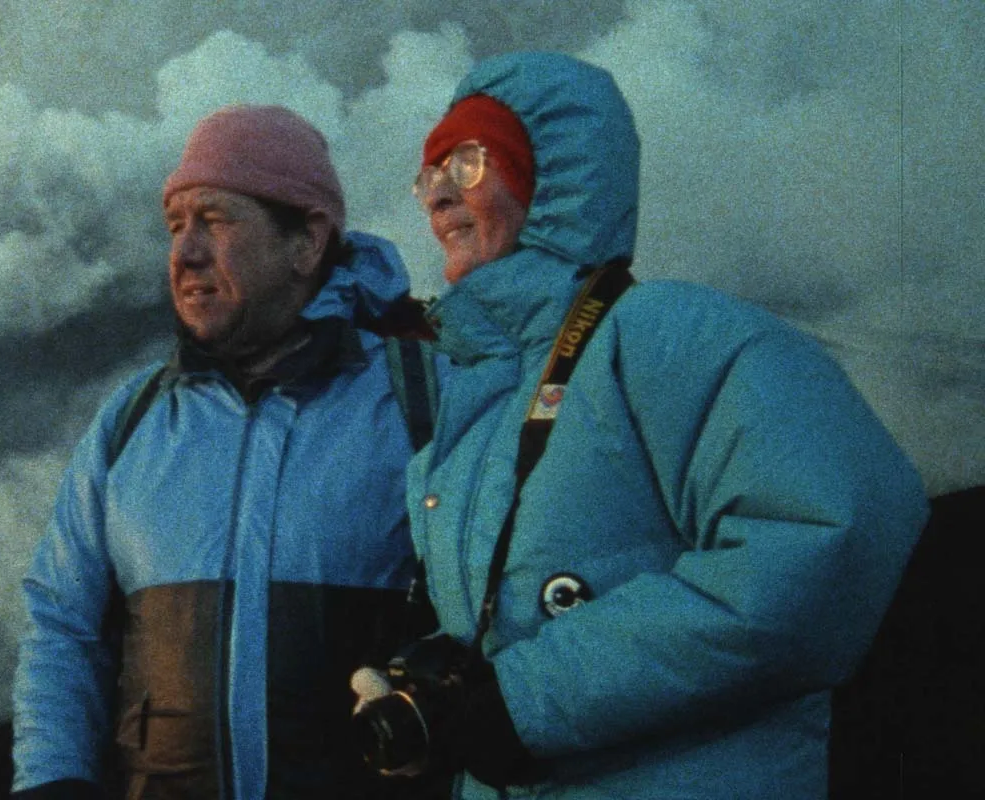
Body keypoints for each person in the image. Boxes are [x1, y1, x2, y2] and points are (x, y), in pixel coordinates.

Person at [350, 52, 930, 798]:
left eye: (465, 163)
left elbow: (834, 531)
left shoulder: (663, 335)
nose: (436, 196)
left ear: (553, 178)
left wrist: (527, 699)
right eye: (427, 176)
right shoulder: (478, 409)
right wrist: (440, 680)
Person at [12, 104, 441, 800]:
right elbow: (63, 623)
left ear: (306, 242)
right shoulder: (134, 419)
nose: (184, 254)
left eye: (214, 220)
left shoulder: (419, 401)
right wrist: (52, 779)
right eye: (175, 226)